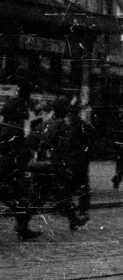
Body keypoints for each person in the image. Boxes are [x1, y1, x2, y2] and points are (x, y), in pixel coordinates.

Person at [1, 84, 43, 240]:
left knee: (19, 199)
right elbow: (19, 152)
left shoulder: (5, 126)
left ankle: (22, 228)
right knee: (24, 198)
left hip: (6, 169)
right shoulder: (14, 128)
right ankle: (22, 229)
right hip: (10, 170)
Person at [40, 96, 88, 231]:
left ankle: (74, 220)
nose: (69, 109)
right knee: (42, 197)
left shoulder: (48, 122)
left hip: (50, 164)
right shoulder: (60, 124)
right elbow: (57, 146)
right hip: (54, 165)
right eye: (66, 106)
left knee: (62, 194)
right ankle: (22, 226)